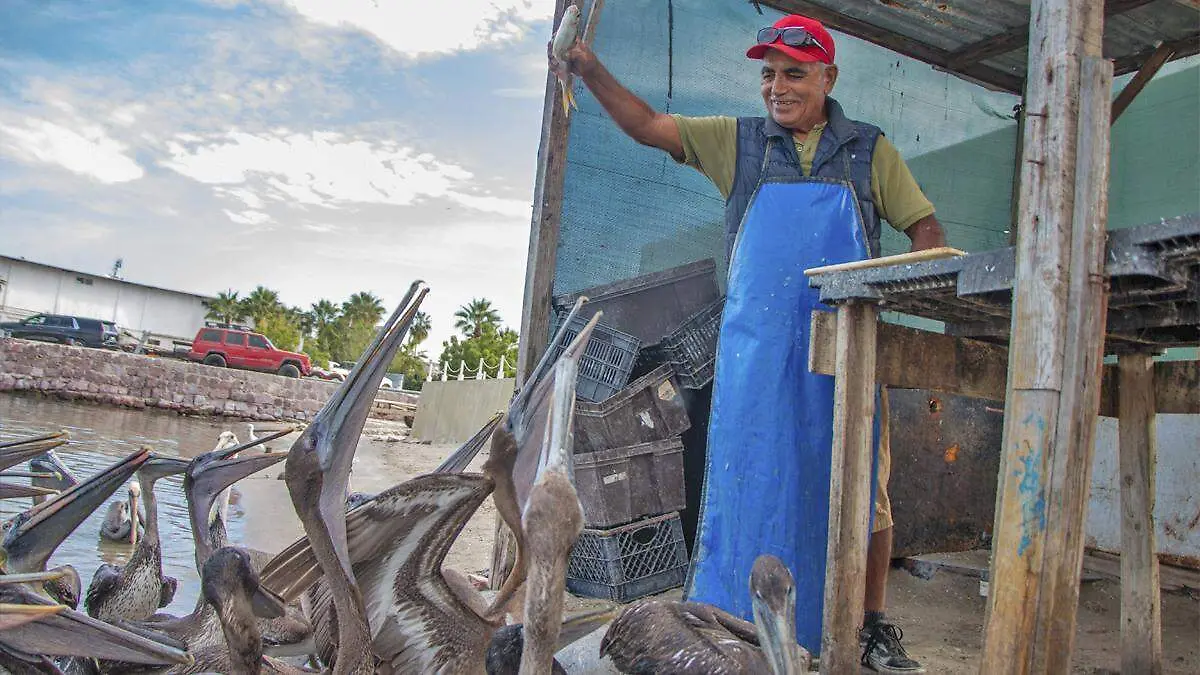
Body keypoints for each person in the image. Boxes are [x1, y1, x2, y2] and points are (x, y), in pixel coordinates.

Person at [551, 12, 945, 675]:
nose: (777, 87)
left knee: (863, 490)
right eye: (768, 75)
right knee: (747, 476)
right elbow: (648, 126)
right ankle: (728, 616)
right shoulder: (739, 142)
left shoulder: (870, 151)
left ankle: (870, 626)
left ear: (828, 77)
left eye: (794, 74)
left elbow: (926, 228)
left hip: (846, 353)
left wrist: (897, 287)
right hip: (756, 354)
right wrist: (587, 68)